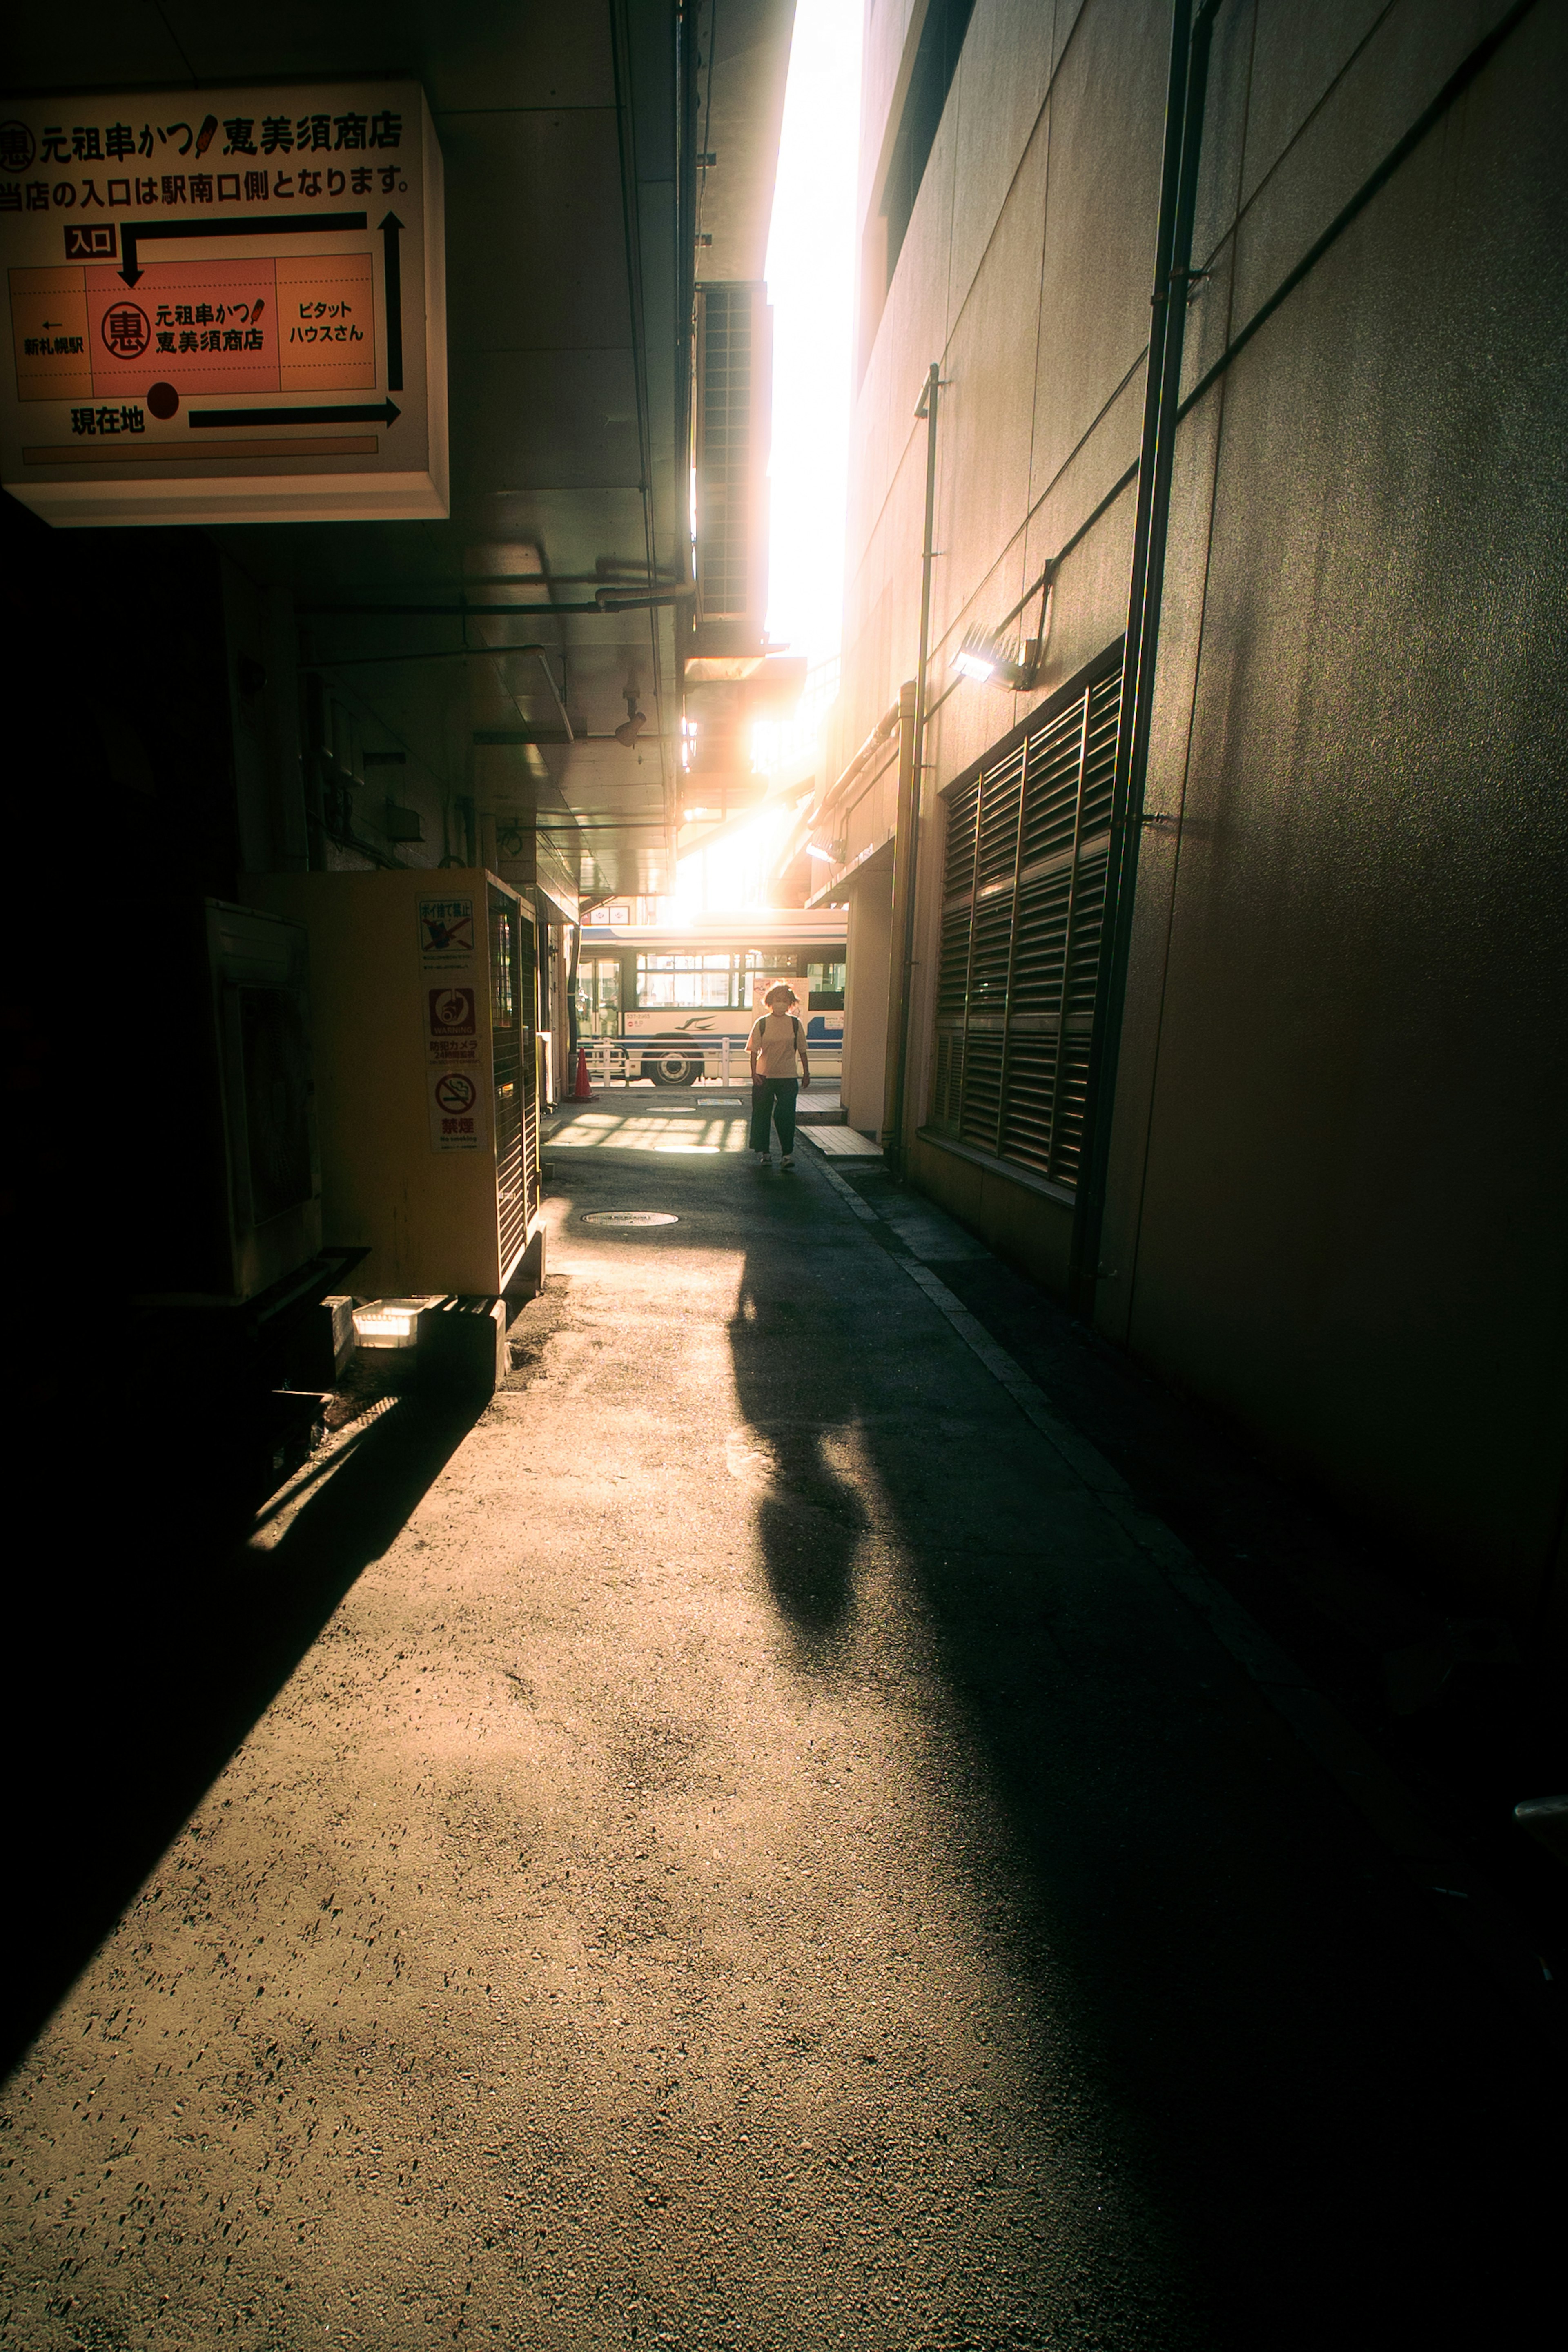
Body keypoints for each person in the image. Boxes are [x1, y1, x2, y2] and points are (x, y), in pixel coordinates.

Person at [747, 982, 811, 1168]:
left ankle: (787, 1154)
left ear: (791, 1003)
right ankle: (765, 1152)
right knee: (762, 1115)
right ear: (770, 1002)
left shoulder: (795, 1024)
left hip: (788, 1077)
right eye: (777, 1000)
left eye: (785, 1001)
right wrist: (754, 1074)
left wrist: (806, 1073)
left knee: (785, 1115)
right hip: (764, 1077)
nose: (781, 1004)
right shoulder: (762, 1023)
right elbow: (753, 1051)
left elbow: (803, 1050)